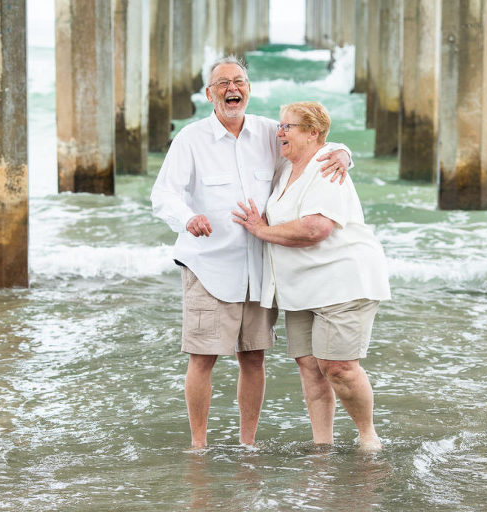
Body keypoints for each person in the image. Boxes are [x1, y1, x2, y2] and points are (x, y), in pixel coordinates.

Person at [150, 57, 353, 449]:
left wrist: (345, 153)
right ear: (209, 94)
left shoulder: (268, 132)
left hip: (260, 268)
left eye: (239, 81)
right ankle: (198, 446)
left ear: (248, 88)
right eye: (223, 83)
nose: (232, 89)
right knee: (202, 359)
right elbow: (164, 194)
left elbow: (313, 142)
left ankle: (248, 444)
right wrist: (188, 218)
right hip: (208, 266)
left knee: (254, 358)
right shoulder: (191, 139)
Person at [232, 101, 391, 452]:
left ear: (312, 133)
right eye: (280, 125)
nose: (279, 132)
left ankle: (368, 437)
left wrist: (261, 230)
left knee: (339, 367)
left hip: (342, 281)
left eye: (287, 126)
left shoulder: (326, 166)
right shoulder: (286, 169)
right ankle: (323, 447)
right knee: (309, 366)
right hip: (301, 288)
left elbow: (316, 228)